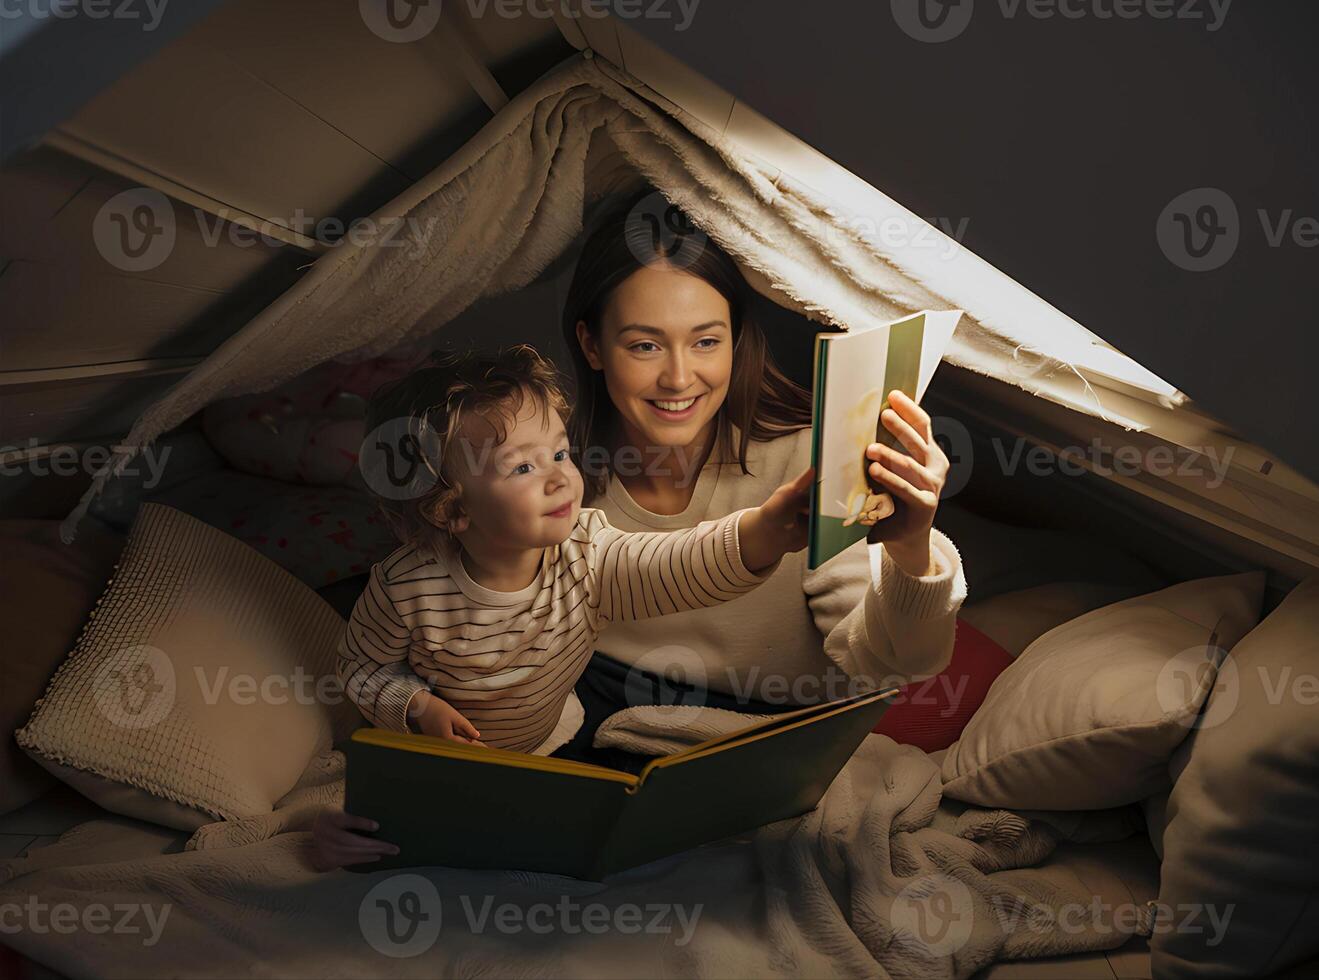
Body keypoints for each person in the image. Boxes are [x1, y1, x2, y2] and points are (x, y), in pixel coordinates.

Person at [315, 344, 813, 869]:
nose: (559, 478)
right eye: (523, 466)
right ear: (452, 507)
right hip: (446, 766)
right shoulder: (406, 588)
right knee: (370, 839)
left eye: (559, 453)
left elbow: (675, 562)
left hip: (553, 744)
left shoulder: (586, 552)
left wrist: (766, 531)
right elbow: (362, 666)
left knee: (619, 823)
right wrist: (417, 708)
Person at [550, 193, 969, 767]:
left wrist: (910, 549)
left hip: (747, 746)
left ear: (736, 340)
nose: (678, 377)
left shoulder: (808, 460)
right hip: (585, 723)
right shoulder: (552, 476)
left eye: (705, 342)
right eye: (645, 345)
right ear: (593, 345)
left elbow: (890, 663)